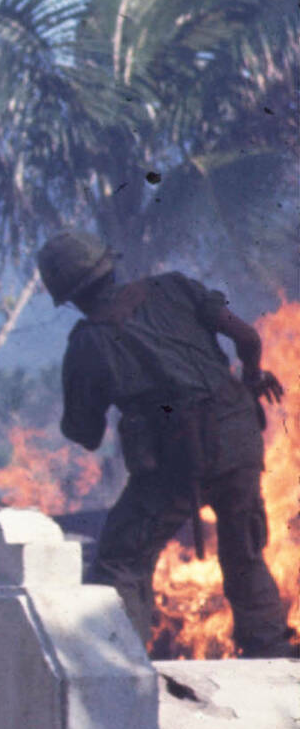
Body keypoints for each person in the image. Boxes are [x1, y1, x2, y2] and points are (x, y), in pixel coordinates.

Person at [40, 230, 293, 658]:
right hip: (239, 438)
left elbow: (84, 433)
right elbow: (248, 338)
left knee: (121, 559)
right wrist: (251, 376)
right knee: (245, 553)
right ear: (110, 266)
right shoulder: (174, 286)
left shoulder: (89, 341)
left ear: (69, 297)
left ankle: (121, 663)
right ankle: (270, 655)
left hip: (179, 461)